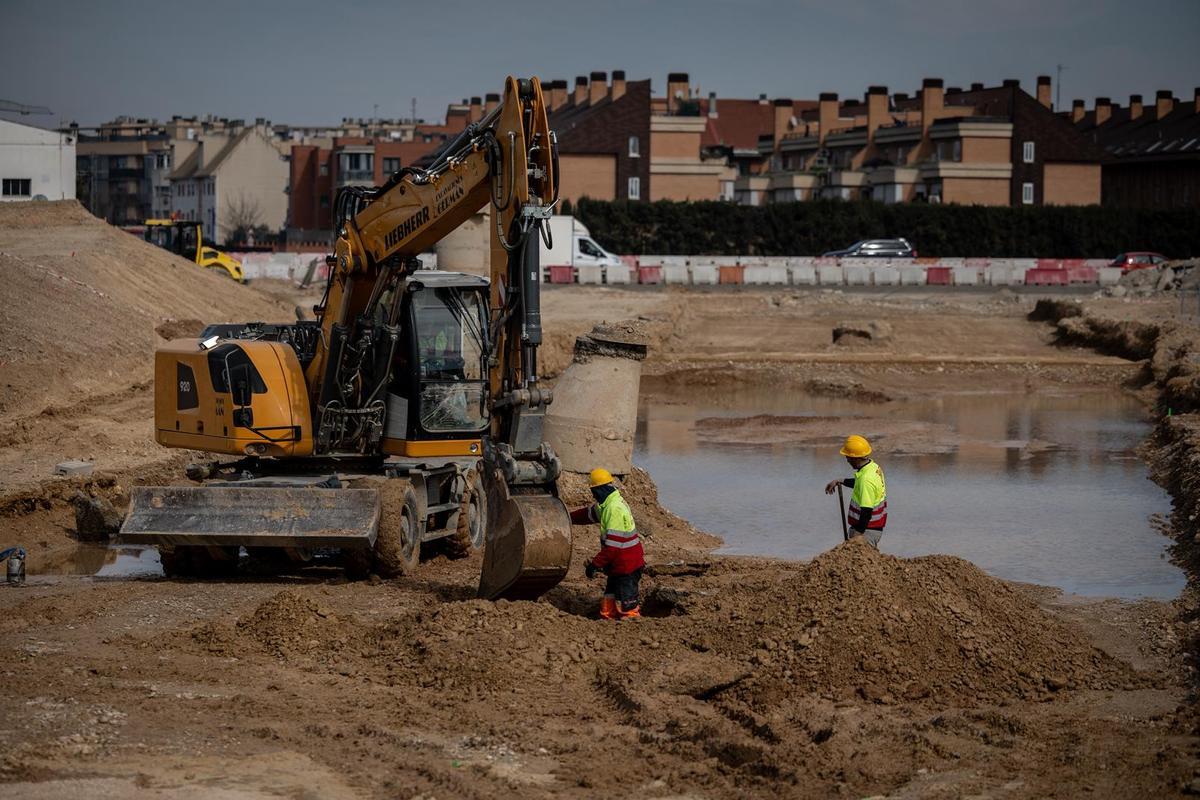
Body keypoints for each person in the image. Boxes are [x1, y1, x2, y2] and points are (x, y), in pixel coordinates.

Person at [571, 468, 644, 619]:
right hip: (618, 565)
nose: (593, 495)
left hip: (627, 566)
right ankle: (608, 620)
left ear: (601, 488)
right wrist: (567, 517)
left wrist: (595, 565)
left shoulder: (614, 508)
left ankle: (630, 628)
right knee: (609, 602)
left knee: (628, 607)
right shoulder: (607, 502)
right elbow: (589, 514)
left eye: (594, 491)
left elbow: (613, 547)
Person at [824, 434, 887, 548]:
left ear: (856, 457)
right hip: (870, 528)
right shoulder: (873, 467)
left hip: (866, 531)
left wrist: (857, 536)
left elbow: (866, 512)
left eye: (848, 457)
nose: (847, 460)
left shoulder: (866, 479)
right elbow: (860, 484)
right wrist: (840, 481)